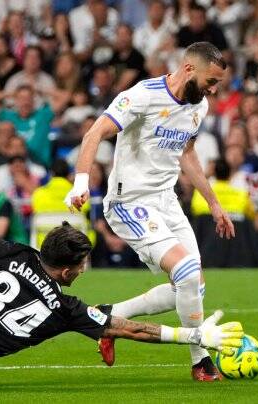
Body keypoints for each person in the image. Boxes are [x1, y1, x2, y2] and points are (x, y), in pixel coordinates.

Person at [0, 151, 242, 385]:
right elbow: (131, 330)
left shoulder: (14, 253)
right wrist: (194, 336)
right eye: (82, 264)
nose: (84, 269)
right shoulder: (63, 309)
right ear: (69, 271)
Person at [64, 42, 235, 381]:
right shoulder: (143, 95)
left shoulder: (198, 107)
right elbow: (95, 132)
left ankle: (108, 317)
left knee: (192, 287)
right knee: (185, 271)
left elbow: (187, 154)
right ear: (189, 69)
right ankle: (200, 360)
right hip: (130, 203)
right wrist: (80, 182)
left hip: (166, 201)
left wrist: (214, 203)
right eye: (210, 81)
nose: (213, 90)